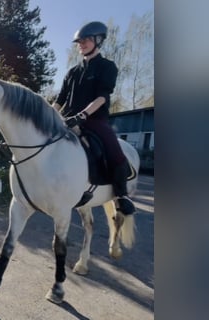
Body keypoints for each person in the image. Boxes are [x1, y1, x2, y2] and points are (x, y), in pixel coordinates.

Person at [52, 21, 135, 215]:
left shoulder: (107, 67)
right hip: (67, 119)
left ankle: (121, 195)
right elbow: (60, 100)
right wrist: (48, 115)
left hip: (94, 120)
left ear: (98, 41)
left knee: (114, 151)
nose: (82, 44)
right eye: (80, 41)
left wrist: (83, 115)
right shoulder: (72, 72)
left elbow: (102, 97)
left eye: (86, 40)